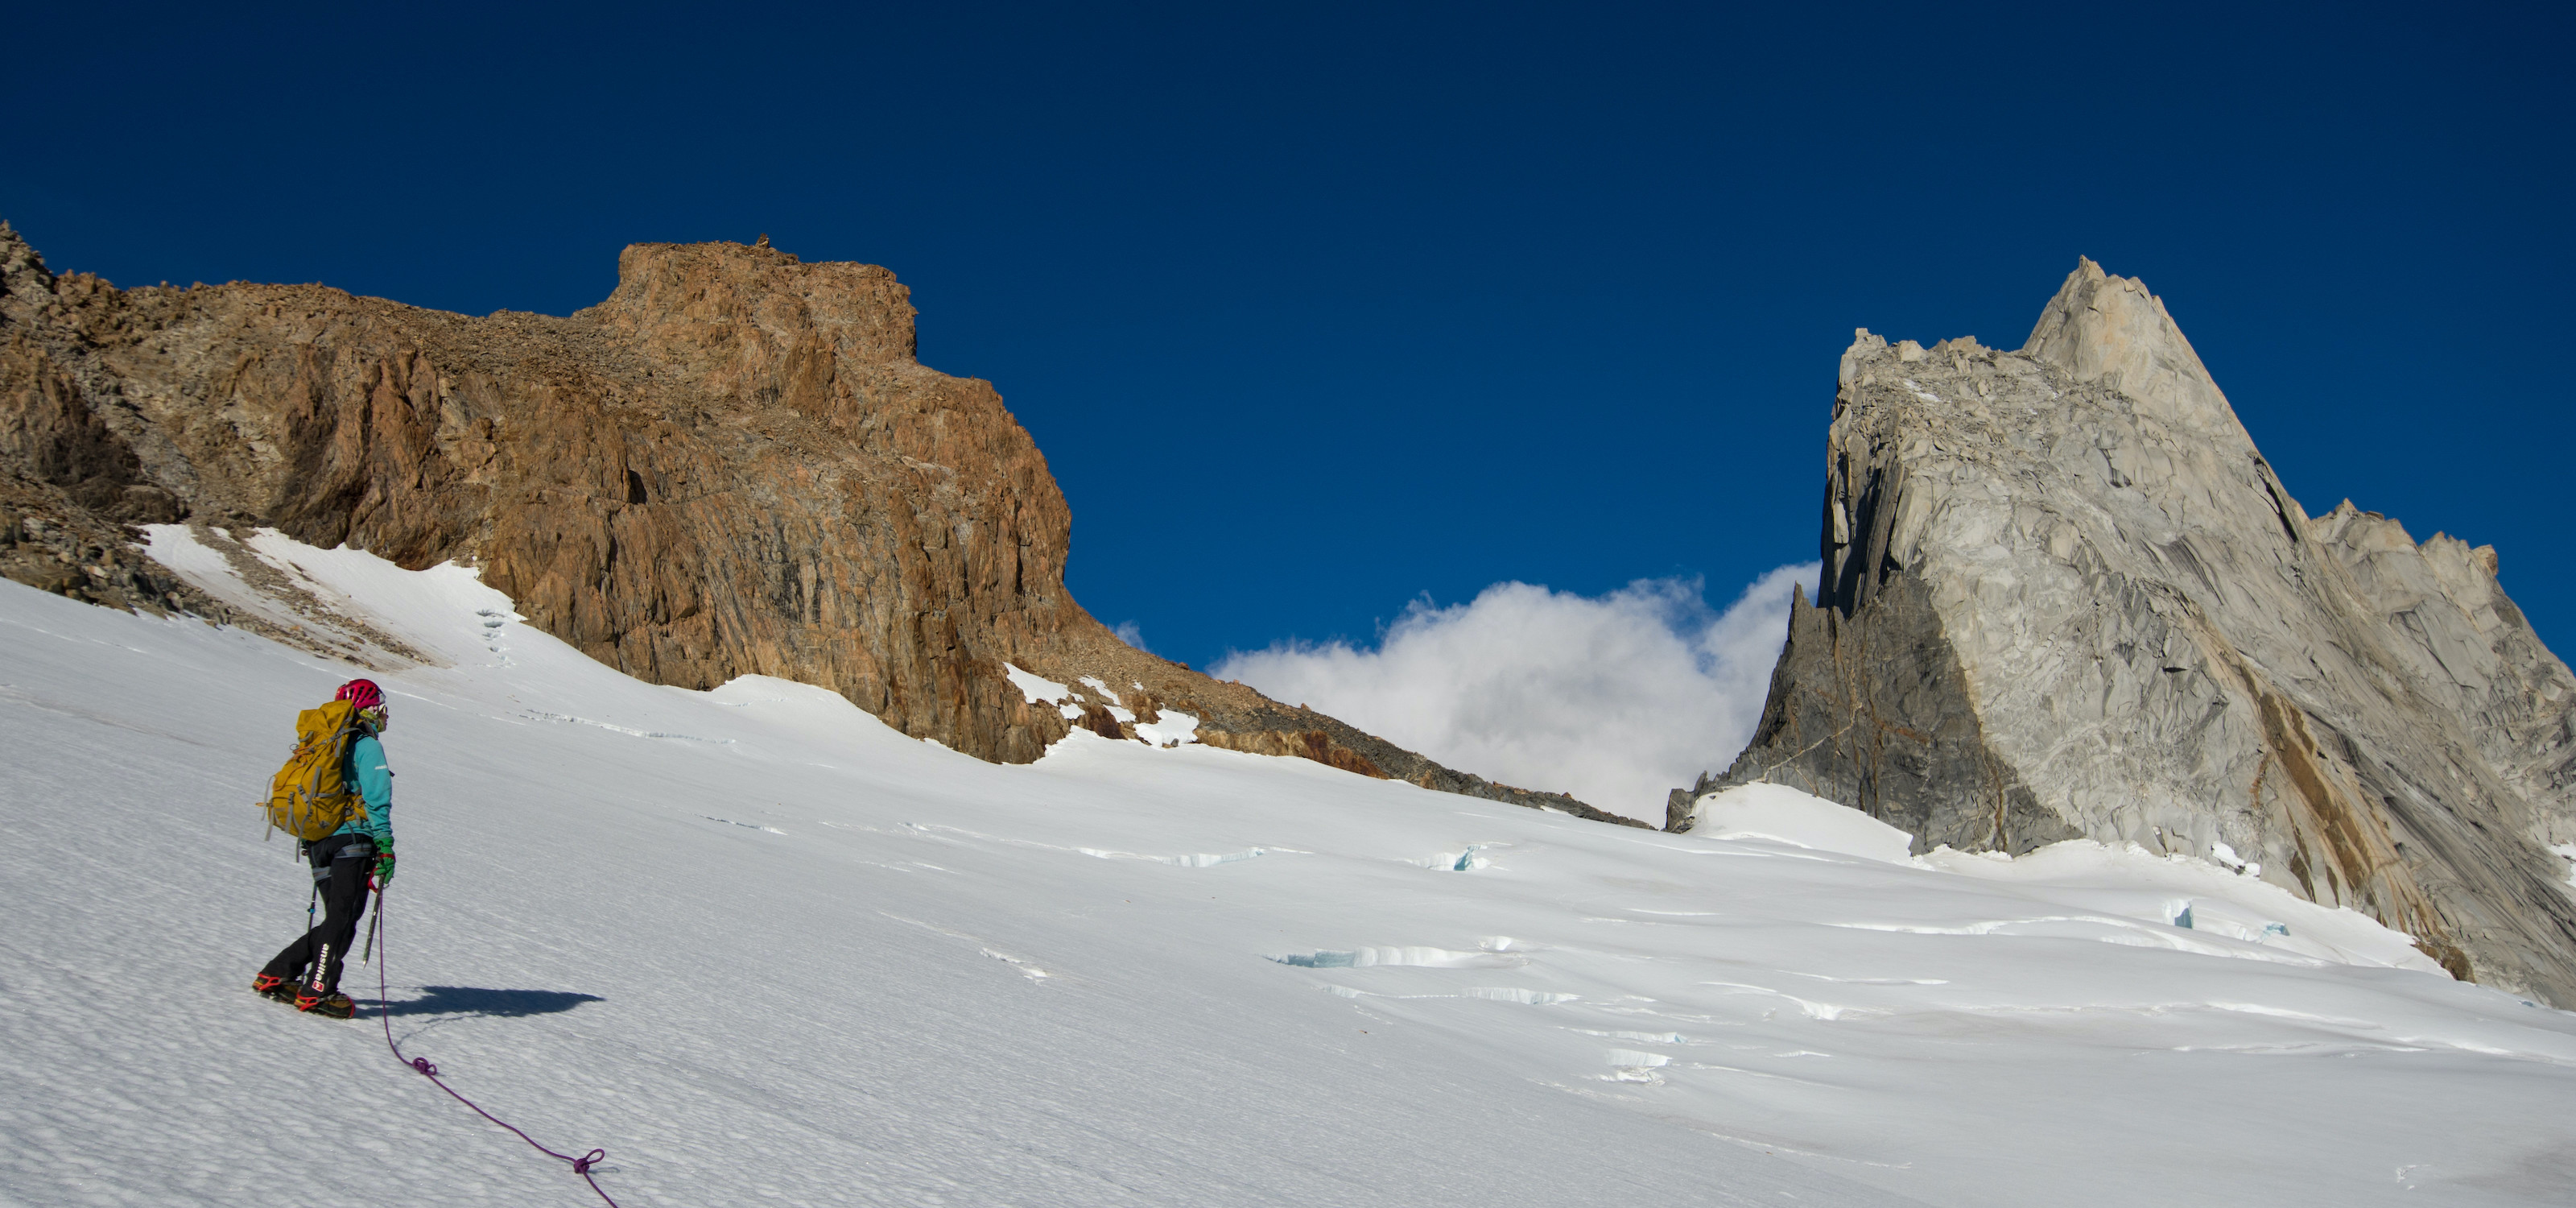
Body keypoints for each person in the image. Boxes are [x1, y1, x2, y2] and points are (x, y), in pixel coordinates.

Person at [253, 679, 398, 1018]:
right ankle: (318, 990)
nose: (385, 714)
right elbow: (378, 799)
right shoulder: (366, 745)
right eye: (380, 706)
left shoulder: (323, 741)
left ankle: (278, 972)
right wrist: (386, 846)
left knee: (338, 918)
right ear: (370, 709)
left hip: (318, 841)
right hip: (353, 841)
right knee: (343, 919)